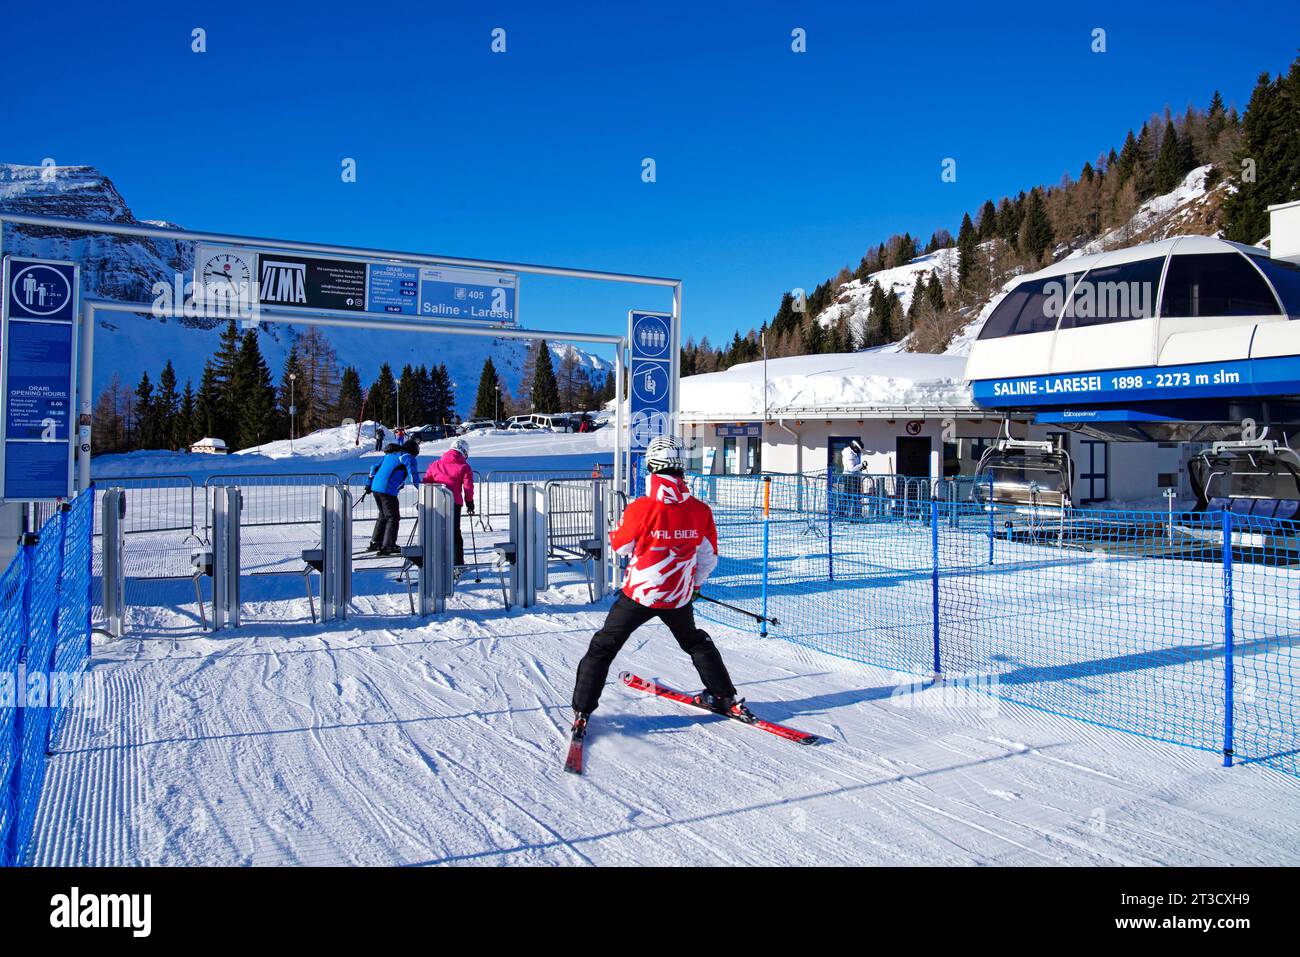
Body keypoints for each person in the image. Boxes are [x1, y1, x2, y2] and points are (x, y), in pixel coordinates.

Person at [570, 434, 745, 737]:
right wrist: (694, 585)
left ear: (652, 466)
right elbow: (708, 556)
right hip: (677, 595)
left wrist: (620, 529)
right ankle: (724, 696)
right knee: (695, 641)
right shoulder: (700, 510)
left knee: (603, 646)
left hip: (640, 593)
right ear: (680, 467)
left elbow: (621, 547)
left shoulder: (642, 507)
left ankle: (583, 709)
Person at [422, 438, 475, 566]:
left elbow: (426, 482)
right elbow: (468, 486)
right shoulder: (464, 466)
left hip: (435, 501)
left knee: (436, 531)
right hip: (454, 502)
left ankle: (436, 561)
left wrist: (424, 499)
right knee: (455, 533)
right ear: (464, 453)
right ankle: (458, 564)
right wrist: (469, 502)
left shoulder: (435, 464)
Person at [365, 439, 419, 555]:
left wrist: (368, 484)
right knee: (392, 517)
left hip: (376, 487)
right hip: (387, 490)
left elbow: (374, 467)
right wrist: (424, 489)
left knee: (383, 515)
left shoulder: (390, 455)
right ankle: (388, 545)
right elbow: (413, 476)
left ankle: (376, 542)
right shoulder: (407, 457)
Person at [838, 439, 867, 517]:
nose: (858, 451)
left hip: (853, 477)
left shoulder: (853, 453)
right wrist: (861, 465)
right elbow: (851, 469)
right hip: (849, 477)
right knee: (852, 496)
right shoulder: (849, 454)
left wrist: (861, 468)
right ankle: (848, 513)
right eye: (858, 449)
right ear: (854, 447)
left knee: (852, 496)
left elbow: (855, 467)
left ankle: (853, 513)